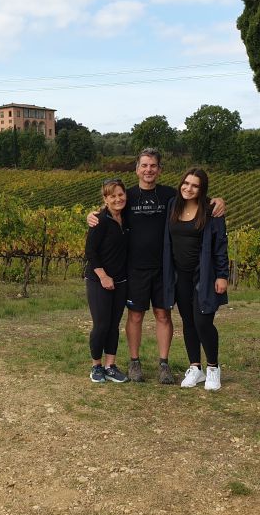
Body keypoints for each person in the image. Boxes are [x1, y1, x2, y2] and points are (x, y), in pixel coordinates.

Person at [88, 148, 225, 384]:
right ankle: (134, 362)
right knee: (136, 316)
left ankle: (164, 364)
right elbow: (111, 208)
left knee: (163, 315)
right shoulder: (128, 196)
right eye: (144, 165)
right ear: (137, 169)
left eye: (153, 166)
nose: (148, 170)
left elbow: (198, 200)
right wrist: (92, 215)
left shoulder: (171, 197)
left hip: (164, 269)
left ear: (159, 169)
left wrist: (217, 201)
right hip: (134, 269)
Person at [162, 168, 229, 390]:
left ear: (202, 189)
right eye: (186, 183)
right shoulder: (173, 204)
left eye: (195, 185)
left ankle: (213, 368)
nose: (188, 188)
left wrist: (222, 275)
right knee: (188, 322)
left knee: (203, 321)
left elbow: (220, 244)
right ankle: (195, 368)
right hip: (179, 275)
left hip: (204, 275)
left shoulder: (211, 210)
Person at [84, 179, 130, 383]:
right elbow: (90, 252)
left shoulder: (127, 218)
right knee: (101, 324)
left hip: (121, 281)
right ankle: (96, 366)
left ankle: (111, 365)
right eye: (113, 196)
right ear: (105, 199)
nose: (118, 199)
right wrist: (103, 276)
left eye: (121, 194)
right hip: (98, 280)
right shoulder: (99, 220)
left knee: (114, 325)